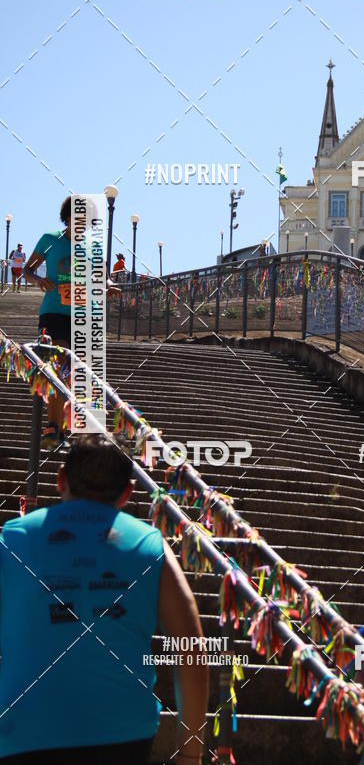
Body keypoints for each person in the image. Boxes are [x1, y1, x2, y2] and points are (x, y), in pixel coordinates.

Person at [0, 435, 209, 764]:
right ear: (127, 492)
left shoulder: (13, 537)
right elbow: (191, 649)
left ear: (60, 479)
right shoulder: (149, 545)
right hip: (122, 733)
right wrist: (191, 754)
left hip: (24, 729)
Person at [22, 197, 119, 448]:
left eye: (86, 220)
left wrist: (108, 287)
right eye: (78, 218)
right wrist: (38, 281)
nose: (82, 224)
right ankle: (52, 427)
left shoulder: (93, 245)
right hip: (54, 312)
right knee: (58, 365)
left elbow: (103, 278)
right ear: (67, 217)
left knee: (75, 373)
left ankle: (61, 429)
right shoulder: (49, 239)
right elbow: (28, 270)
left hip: (84, 314)